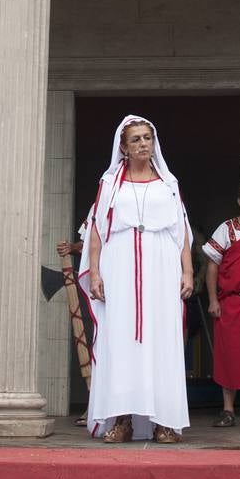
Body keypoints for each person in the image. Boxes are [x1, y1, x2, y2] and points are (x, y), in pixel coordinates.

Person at [79, 115, 194, 443]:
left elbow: (180, 231)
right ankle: (123, 419)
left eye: (148, 138)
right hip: (120, 262)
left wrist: (187, 270)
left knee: (161, 339)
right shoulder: (110, 183)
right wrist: (97, 272)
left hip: (161, 264)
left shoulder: (167, 183)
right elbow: (98, 230)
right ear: (123, 147)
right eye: (136, 139)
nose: (144, 144)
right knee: (121, 340)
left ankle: (164, 421)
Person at [203, 180, 240, 427]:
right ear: (239, 200)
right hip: (233, 303)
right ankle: (228, 410)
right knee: (231, 356)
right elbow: (212, 265)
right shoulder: (227, 229)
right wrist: (213, 299)